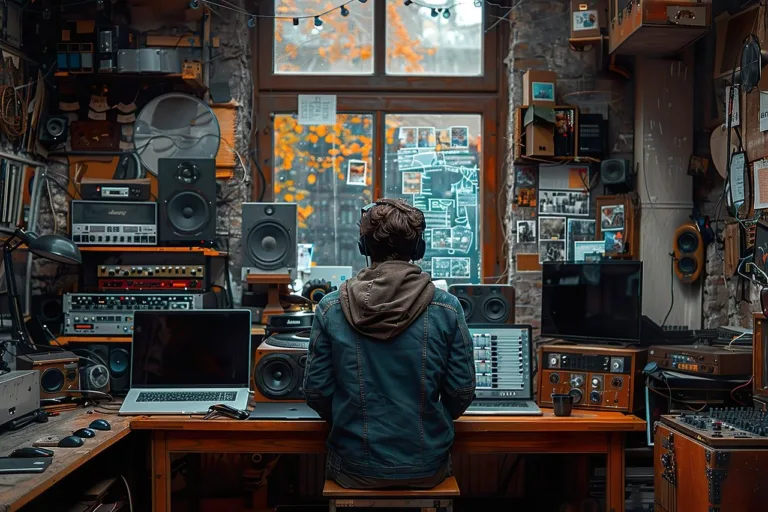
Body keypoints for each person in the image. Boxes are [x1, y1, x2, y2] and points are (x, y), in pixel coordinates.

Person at [303, 198, 476, 490]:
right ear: (418, 250)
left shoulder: (330, 307)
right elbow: (461, 391)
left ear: (364, 248)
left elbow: (316, 390)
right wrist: (428, 423)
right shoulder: (447, 308)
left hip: (352, 467)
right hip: (427, 466)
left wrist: (349, 420)